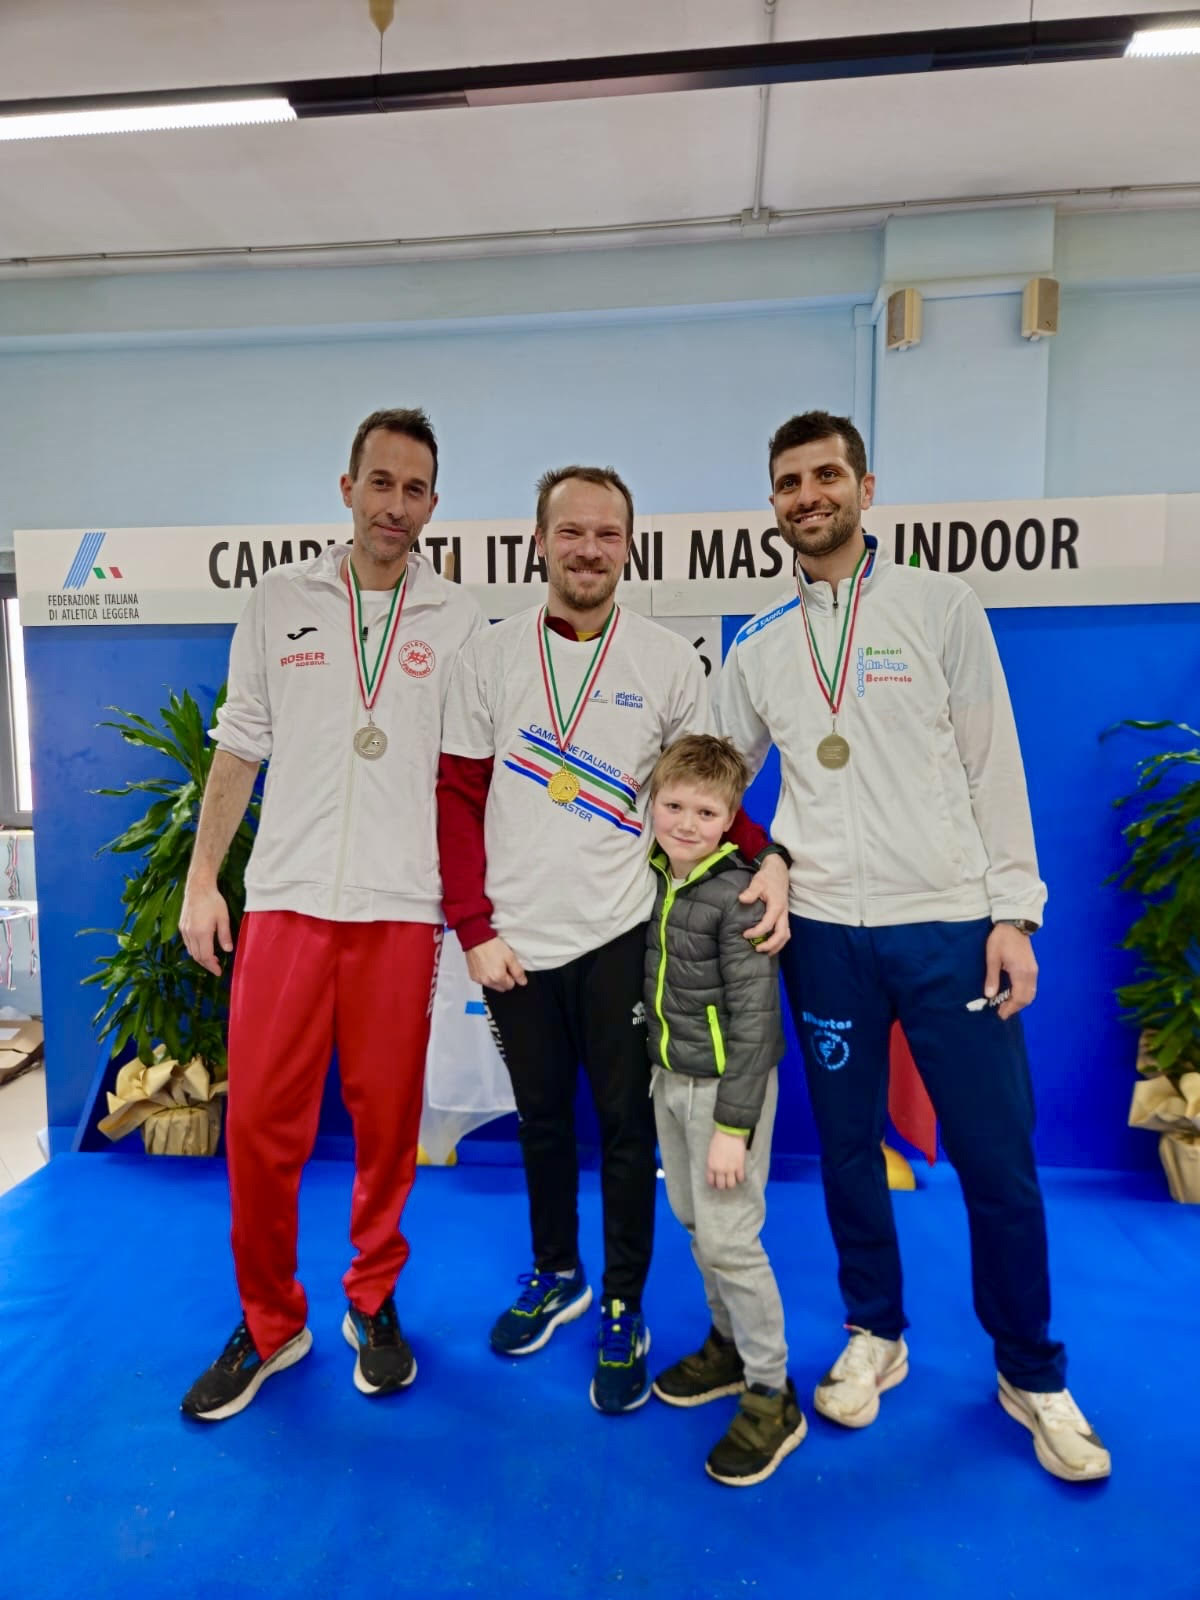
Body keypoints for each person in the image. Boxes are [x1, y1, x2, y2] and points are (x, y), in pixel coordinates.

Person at [715, 409, 1111, 1483]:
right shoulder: (759, 644)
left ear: (865, 486)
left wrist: (1014, 912)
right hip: (825, 937)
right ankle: (874, 1331)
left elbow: (992, 761)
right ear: (774, 503)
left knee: (996, 1155)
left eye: (826, 475)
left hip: (948, 926)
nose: (809, 496)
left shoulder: (941, 606)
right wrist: (770, 853)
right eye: (790, 482)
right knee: (848, 1148)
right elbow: (709, 776)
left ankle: (1031, 1369)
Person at [436, 464, 790, 1414]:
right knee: (542, 1120)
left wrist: (770, 858)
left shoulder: (668, 662)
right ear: (538, 542)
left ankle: (624, 1301)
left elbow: (708, 796)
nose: (588, 550)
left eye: (606, 534)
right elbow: (457, 796)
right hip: (513, 944)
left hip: (623, 932)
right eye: (571, 532)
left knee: (630, 1128)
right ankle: (557, 1273)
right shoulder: (488, 656)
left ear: (628, 547)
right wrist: (472, 927)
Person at [178, 407, 484, 1421]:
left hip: (401, 910)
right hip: (289, 901)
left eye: (415, 489)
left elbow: (471, 775)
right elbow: (239, 744)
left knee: (388, 1124)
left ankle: (373, 1298)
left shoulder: (459, 618)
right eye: (380, 482)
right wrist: (203, 880)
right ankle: (270, 1320)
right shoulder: (279, 600)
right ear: (347, 489)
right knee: (261, 1123)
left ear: (433, 505)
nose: (396, 504)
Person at [643, 733, 806, 1486]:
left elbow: (757, 1025)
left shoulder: (739, 894)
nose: (685, 823)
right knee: (692, 1219)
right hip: (669, 1083)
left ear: (730, 817)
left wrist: (732, 1129)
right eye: (673, 805)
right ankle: (729, 1345)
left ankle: (773, 1390)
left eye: (705, 812)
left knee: (732, 1238)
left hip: (724, 1095)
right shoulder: (651, 876)